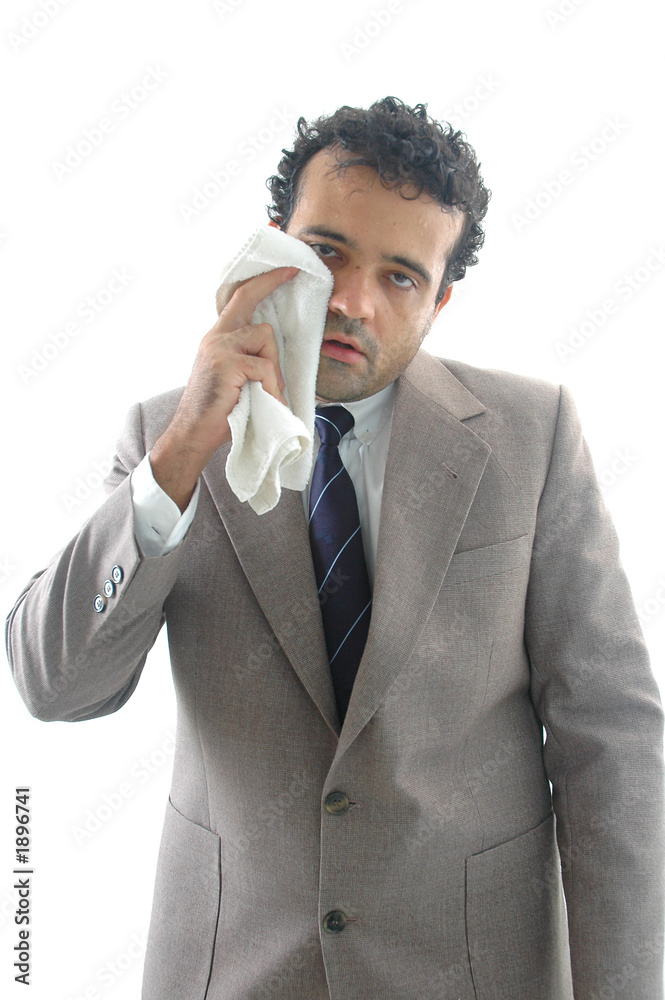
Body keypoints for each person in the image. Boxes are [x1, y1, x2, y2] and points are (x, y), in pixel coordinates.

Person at [6, 96, 664, 1000]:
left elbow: (610, 738)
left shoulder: (530, 435)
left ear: (439, 300)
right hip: (233, 969)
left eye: (400, 277)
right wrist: (182, 456)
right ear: (272, 245)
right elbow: (55, 687)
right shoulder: (168, 436)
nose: (352, 302)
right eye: (326, 253)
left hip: (472, 971)